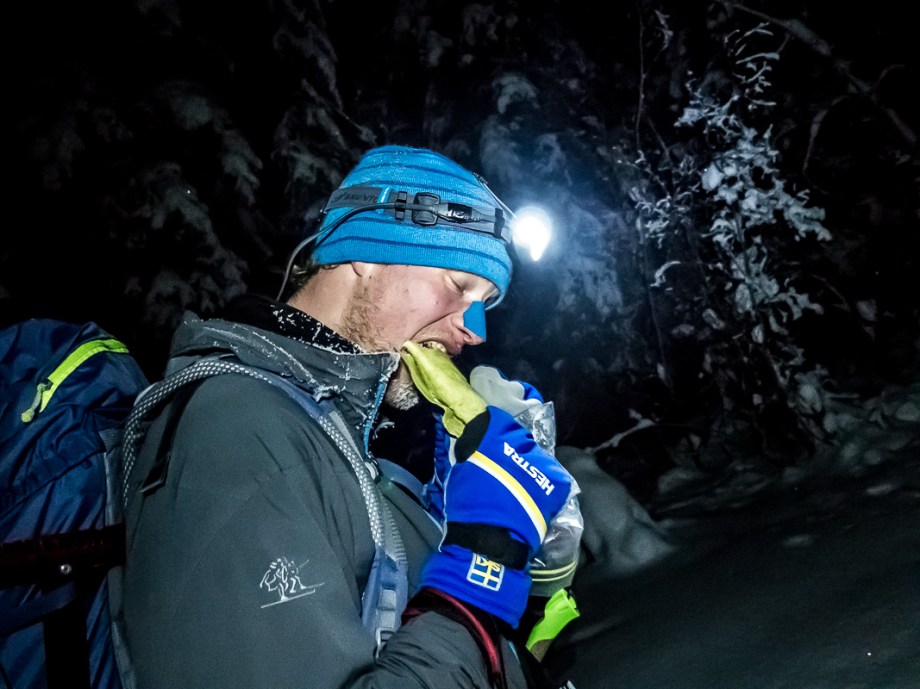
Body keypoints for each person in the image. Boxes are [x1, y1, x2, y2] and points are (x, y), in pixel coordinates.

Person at [117, 145, 579, 689]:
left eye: (487, 301)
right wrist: (484, 559)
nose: (475, 329)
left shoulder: (353, 440)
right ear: (365, 253)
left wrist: (529, 548)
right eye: (459, 285)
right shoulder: (239, 434)